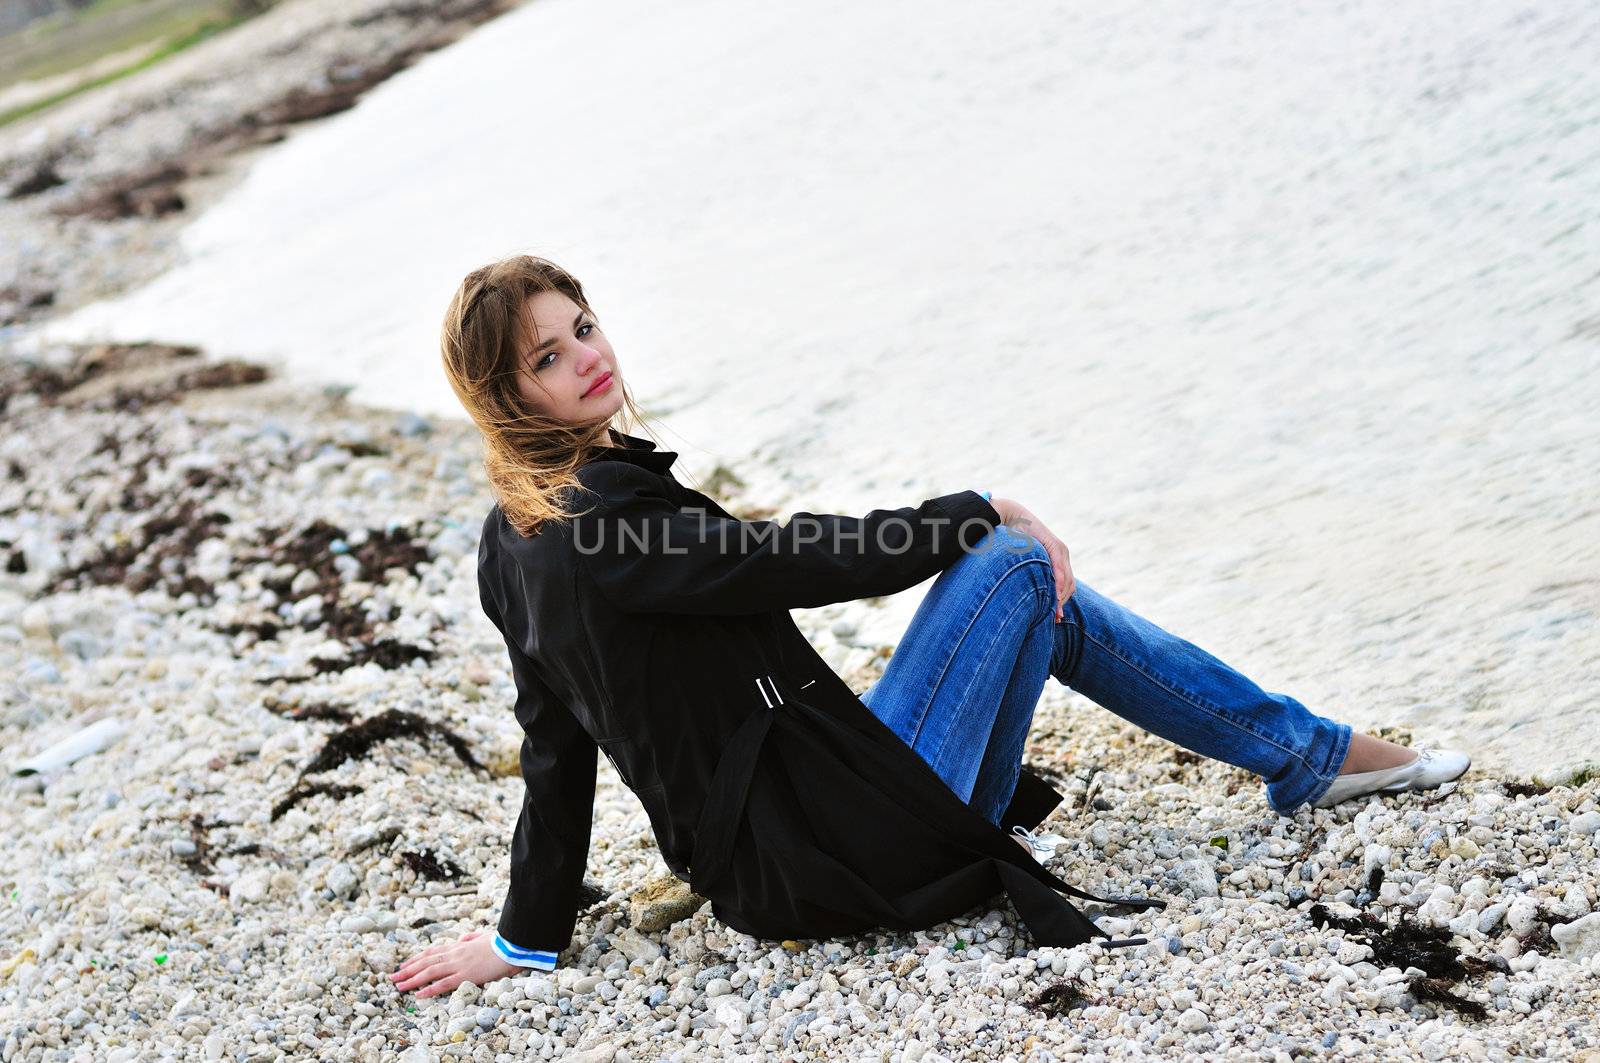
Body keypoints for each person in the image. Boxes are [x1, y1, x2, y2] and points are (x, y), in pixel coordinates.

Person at [390, 254, 1470, 999]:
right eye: (547, 356)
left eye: (583, 326)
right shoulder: (594, 527)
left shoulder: (515, 537)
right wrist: (973, 512)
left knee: (1038, 600)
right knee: (1010, 564)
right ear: (505, 394)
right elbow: (781, 562)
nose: (587, 354)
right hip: (826, 855)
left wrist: (526, 936)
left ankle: (1302, 754)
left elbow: (553, 746)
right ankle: (1305, 755)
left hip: (795, 838)